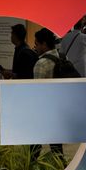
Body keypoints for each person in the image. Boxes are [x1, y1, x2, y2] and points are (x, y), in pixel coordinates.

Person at [32, 28, 63, 157]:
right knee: (56, 146)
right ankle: (60, 168)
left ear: (44, 44)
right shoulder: (61, 57)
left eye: (37, 44)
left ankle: (29, 169)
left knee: (34, 143)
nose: (35, 47)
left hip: (44, 109)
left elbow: (37, 92)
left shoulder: (41, 63)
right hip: (58, 107)